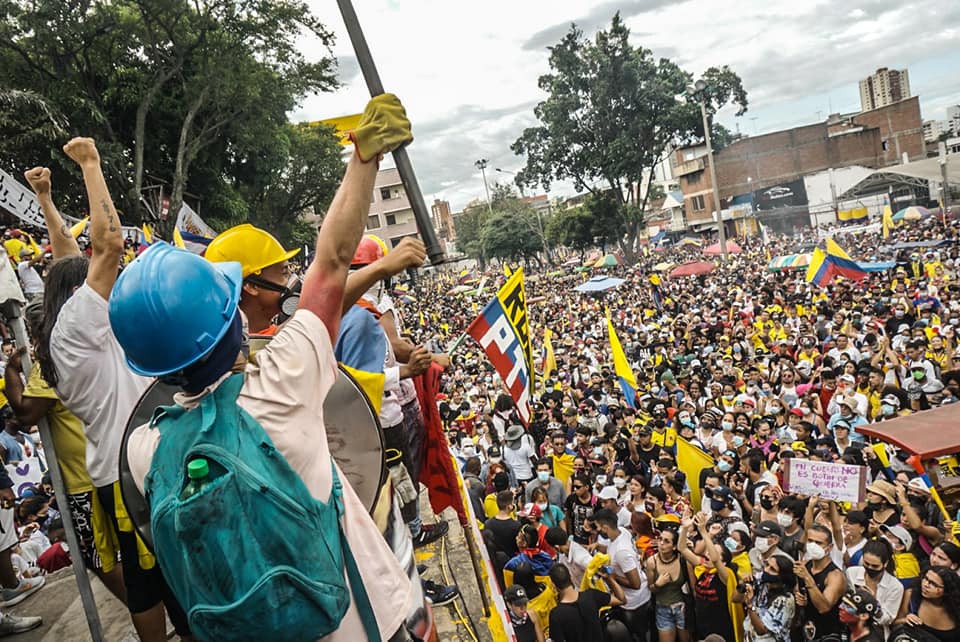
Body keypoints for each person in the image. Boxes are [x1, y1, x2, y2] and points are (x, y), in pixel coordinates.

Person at [119, 95, 419, 641]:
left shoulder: (145, 451)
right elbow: (329, 268)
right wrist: (366, 158)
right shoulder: (281, 386)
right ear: (230, 319)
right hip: (357, 622)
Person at [29, 140, 181, 642]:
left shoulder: (65, 327)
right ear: (79, 295)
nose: (111, 284)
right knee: (152, 579)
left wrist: (47, 199)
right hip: (128, 470)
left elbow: (68, 260)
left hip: (119, 463)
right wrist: (91, 166)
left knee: (155, 575)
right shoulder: (77, 323)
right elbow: (108, 244)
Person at [593, 508, 650, 641]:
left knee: (637, 636)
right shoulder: (622, 532)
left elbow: (635, 584)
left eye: (598, 527)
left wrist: (610, 576)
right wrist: (597, 546)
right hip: (633, 600)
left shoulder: (621, 552)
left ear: (605, 527)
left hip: (634, 604)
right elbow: (611, 548)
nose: (597, 530)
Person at [547, 562, 625, 642]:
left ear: (553, 585)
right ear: (570, 577)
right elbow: (621, 600)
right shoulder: (591, 595)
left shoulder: (556, 615)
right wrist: (610, 578)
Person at [794, 523, 844, 642]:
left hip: (828, 634)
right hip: (804, 630)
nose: (813, 546)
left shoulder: (835, 576)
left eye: (819, 543)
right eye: (810, 541)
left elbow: (824, 607)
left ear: (830, 547)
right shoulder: (805, 565)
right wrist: (800, 597)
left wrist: (808, 579)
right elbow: (797, 589)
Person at [845, 538, 902, 637]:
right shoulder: (851, 573)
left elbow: (887, 619)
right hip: (851, 627)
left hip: (876, 633)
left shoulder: (895, 586)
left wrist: (873, 603)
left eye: (875, 566)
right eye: (866, 564)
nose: (870, 568)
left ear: (885, 564)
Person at [738, 555, 796, 642]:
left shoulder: (785, 600)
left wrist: (750, 606)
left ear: (782, 576)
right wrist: (742, 584)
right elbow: (734, 598)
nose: (766, 570)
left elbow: (761, 631)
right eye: (767, 565)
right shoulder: (763, 584)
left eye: (772, 569)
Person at [646, 526, 689, 642]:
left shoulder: (682, 560)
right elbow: (651, 589)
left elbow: (692, 586)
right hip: (662, 609)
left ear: (674, 546)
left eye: (666, 541)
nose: (661, 543)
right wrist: (658, 584)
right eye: (660, 539)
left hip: (682, 608)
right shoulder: (652, 562)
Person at [895, 566, 960, 641]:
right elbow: (894, 623)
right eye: (925, 578)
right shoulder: (912, 597)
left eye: (933, 584)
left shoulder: (956, 609)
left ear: (947, 590)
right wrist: (905, 620)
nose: (926, 584)